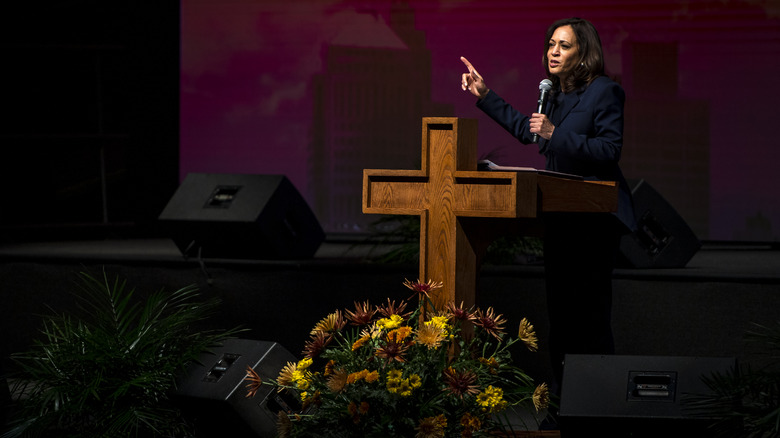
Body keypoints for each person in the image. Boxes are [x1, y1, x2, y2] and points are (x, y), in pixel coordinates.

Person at [460, 17, 637, 412]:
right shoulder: (554, 93)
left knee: (588, 318)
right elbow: (529, 129)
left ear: (583, 52)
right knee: (560, 318)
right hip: (559, 218)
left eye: (564, 45)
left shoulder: (605, 92)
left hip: (593, 220)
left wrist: (557, 134)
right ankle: (561, 404)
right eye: (551, 45)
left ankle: (595, 406)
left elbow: (609, 151)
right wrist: (485, 94)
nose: (553, 52)